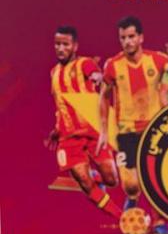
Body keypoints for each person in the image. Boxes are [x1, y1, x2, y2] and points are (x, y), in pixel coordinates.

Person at [98, 16, 168, 233]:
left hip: (154, 129)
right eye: (123, 38)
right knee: (131, 185)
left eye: (131, 36)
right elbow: (103, 97)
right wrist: (104, 130)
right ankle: (132, 198)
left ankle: (159, 223)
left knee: (155, 179)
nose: (127, 42)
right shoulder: (112, 65)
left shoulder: (158, 60)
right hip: (126, 131)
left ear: (141, 37)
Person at [45, 26, 122, 219]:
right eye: (57, 44)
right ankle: (122, 218)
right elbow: (60, 105)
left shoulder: (84, 64)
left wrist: (98, 77)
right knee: (85, 182)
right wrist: (56, 129)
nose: (60, 48)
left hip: (93, 133)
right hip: (68, 138)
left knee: (112, 180)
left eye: (65, 44)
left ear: (75, 46)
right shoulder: (54, 73)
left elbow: (95, 74)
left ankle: (94, 175)